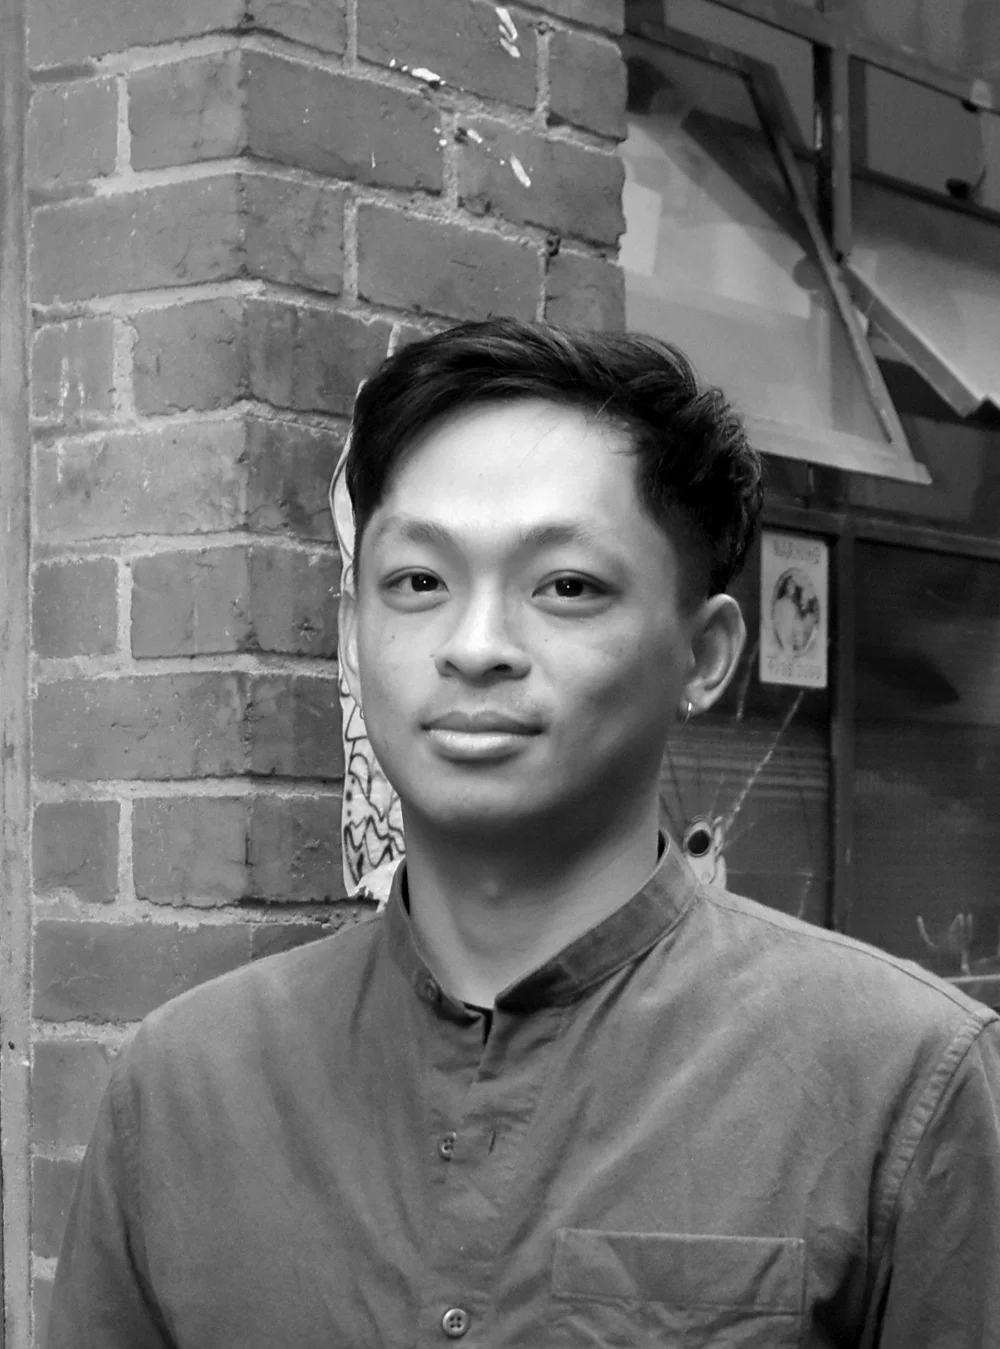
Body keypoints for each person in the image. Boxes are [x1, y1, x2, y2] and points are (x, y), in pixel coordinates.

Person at [48, 319, 1000, 1348]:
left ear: (705, 654)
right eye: (419, 581)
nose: (476, 645)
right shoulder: (184, 1083)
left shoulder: (900, 1080)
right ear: (353, 636)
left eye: (566, 586)